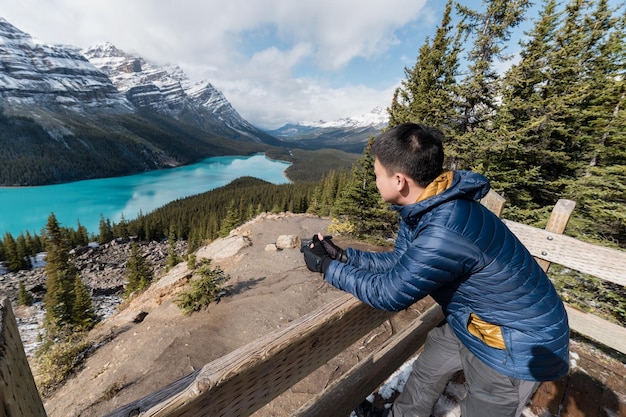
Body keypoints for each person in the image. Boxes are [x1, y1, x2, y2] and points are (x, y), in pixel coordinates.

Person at [301, 123, 569, 417]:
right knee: (432, 361)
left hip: (515, 344)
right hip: (475, 320)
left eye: (377, 174)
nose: (375, 180)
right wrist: (342, 256)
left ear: (399, 180)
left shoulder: (444, 230)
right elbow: (401, 264)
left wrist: (328, 269)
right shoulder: (425, 206)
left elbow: (390, 293)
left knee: (486, 406)